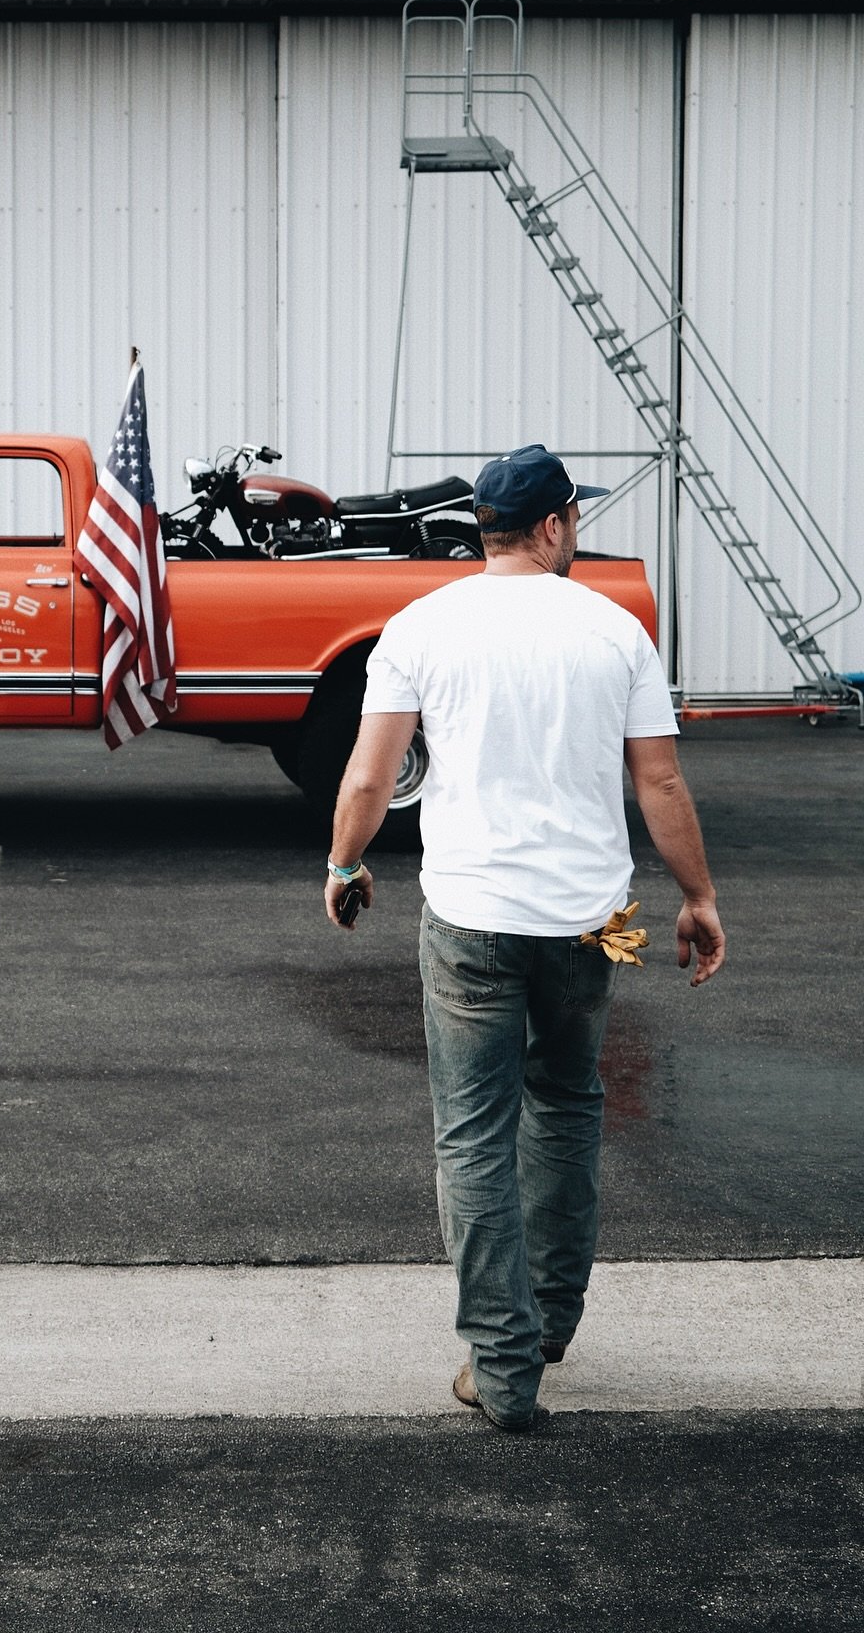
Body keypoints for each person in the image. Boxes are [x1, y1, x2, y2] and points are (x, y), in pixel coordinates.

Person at [323, 442, 726, 1432]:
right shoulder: (615, 630)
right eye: (574, 519)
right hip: (595, 922)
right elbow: (660, 782)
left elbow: (373, 777)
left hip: (470, 918)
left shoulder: (421, 626)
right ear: (553, 527)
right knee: (568, 1105)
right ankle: (549, 1327)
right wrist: (699, 897)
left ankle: (502, 1367)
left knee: (474, 1136)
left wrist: (344, 864)